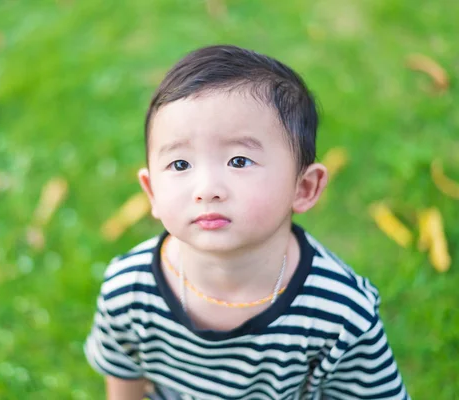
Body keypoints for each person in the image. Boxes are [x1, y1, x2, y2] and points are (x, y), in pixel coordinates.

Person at [84, 45, 409, 400]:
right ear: (151, 193)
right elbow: (123, 381)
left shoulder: (340, 313)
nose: (207, 189)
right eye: (180, 164)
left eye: (239, 161)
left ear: (303, 187)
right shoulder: (129, 288)